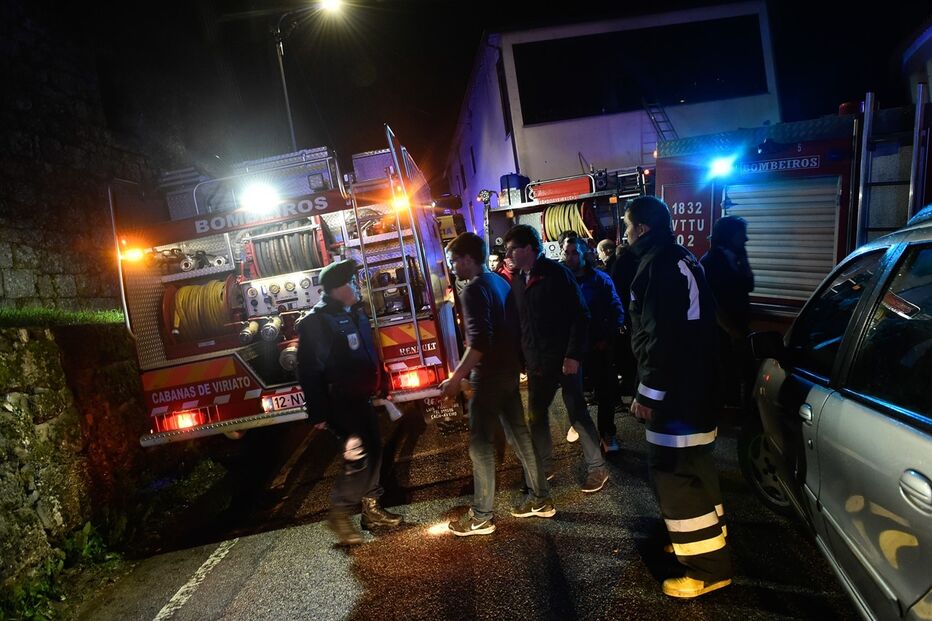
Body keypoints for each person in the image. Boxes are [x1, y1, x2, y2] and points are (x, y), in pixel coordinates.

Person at [624, 196, 732, 598]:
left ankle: (706, 569)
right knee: (698, 468)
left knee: (674, 475)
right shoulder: (683, 258)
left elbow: (662, 338)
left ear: (644, 229)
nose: (625, 233)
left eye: (628, 225)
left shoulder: (660, 268)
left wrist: (647, 393)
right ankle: (708, 540)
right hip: (698, 389)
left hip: (676, 395)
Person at [440, 233, 555, 536]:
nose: (453, 268)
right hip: (508, 372)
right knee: (520, 437)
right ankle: (541, 499)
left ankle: (481, 516)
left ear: (467, 259)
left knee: (480, 446)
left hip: (488, 376)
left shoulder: (473, 290)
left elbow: (478, 342)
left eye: (454, 261)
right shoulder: (500, 283)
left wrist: (455, 378)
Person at [296, 259, 403, 545]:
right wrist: (318, 411)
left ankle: (371, 510)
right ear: (336, 288)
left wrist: (381, 385)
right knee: (358, 457)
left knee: (375, 450)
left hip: (361, 398)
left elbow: (368, 353)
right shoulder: (315, 323)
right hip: (338, 403)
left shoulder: (355, 312)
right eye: (352, 282)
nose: (357, 286)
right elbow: (309, 370)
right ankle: (339, 515)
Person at [504, 224, 609, 493]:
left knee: (577, 412)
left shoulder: (556, 274)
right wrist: (520, 359)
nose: (509, 254)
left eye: (512, 249)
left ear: (528, 249)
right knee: (536, 415)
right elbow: (520, 325)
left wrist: (573, 355)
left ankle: (597, 468)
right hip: (538, 362)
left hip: (564, 359)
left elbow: (579, 315)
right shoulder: (518, 280)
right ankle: (544, 466)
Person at [560, 234, 625, 453]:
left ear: (584, 253)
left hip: (598, 346)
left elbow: (616, 309)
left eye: (574, 252)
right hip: (573, 349)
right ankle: (578, 424)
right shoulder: (560, 281)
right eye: (566, 252)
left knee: (605, 392)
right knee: (575, 393)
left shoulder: (600, 279)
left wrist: (607, 338)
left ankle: (607, 433)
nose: (569, 257)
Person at [700, 216, 755, 408]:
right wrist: (730, 330)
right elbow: (711, 301)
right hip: (721, 331)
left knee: (738, 371)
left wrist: (745, 262)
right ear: (729, 236)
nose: (746, 240)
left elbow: (749, 285)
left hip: (737, 327)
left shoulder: (736, 259)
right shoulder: (712, 261)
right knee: (725, 371)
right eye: (742, 235)